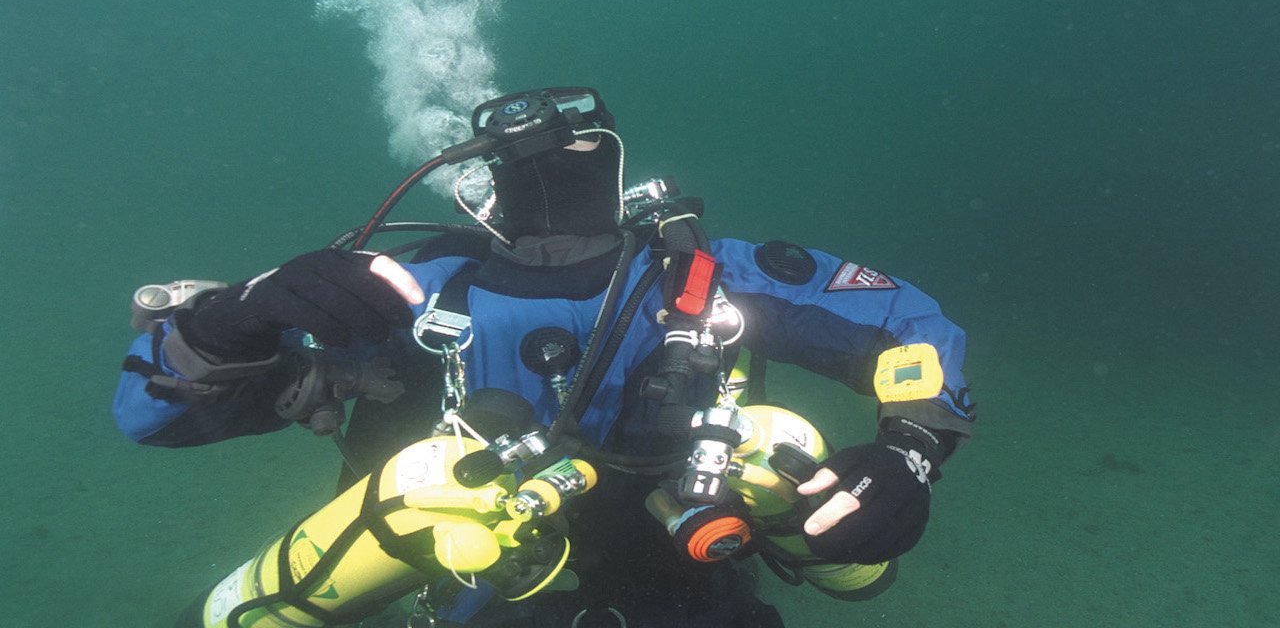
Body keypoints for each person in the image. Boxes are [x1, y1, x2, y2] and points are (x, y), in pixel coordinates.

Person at [115, 87, 975, 628]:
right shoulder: (402, 291)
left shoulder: (710, 276)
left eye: (572, 134)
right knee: (420, 484)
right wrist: (234, 319)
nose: (551, 149)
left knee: (775, 437)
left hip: (687, 563)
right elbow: (148, 417)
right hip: (461, 580)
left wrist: (909, 451)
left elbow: (906, 321)